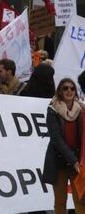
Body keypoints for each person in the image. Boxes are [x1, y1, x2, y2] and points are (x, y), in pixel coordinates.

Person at [42, 78, 85, 213]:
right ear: (60, 91)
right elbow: (57, 140)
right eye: (65, 88)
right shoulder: (52, 110)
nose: (69, 91)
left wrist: (77, 161)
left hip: (77, 162)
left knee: (81, 201)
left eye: (72, 88)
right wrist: (73, 161)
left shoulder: (81, 109)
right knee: (60, 201)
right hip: (59, 162)